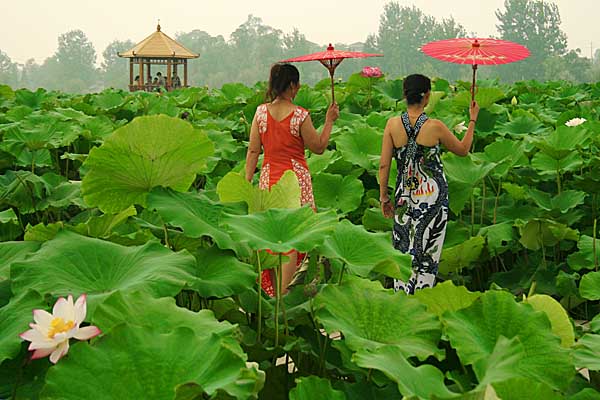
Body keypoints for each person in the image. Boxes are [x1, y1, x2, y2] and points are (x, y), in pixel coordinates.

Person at [378, 74, 479, 294]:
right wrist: (472, 120)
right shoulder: (436, 127)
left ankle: (402, 298)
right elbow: (463, 150)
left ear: (404, 95)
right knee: (427, 254)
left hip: (404, 195)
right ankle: (423, 297)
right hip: (433, 198)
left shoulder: (392, 125)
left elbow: (384, 166)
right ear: (427, 96)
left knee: (403, 248)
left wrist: (384, 196)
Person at [245, 63, 339, 296]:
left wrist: (247, 182)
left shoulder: (260, 113)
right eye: (297, 85)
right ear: (291, 85)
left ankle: (272, 292)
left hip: (268, 180)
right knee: (294, 238)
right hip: (296, 181)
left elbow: (253, 151)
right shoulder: (300, 115)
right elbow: (318, 147)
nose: (298, 89)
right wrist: (329, 120)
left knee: (273, 236)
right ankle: (285, 294)